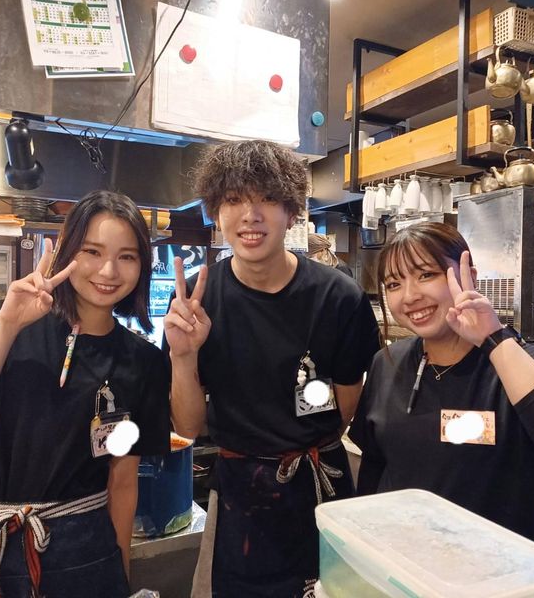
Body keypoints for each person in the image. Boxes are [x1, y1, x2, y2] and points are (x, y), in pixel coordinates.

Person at [0, 191, 171, 598]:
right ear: (65, 252)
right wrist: (7, 327)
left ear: (142, 266)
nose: (108, 270)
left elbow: (122, 481)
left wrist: (119, 576)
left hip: (82, 551)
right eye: (92, 251)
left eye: (127, 256)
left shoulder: (142, 361)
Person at [163, 140, 380, 597]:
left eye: (266, 199)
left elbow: (345, 409)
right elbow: (187, 426)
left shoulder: (339, 298)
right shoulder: (196, 301)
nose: (251, 215)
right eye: (234, 199)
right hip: (241, 495)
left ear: (292, 211)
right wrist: (183, 355)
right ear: (216, 212)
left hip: (322, 486)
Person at [349, 222, 534, 542]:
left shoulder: (525, 364)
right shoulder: (387, 363)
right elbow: (375, 467)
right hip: (403, 556)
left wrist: (494, 339)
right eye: (393, 284)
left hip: (498, 562)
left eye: (426, 275)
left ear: (468, 276)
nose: (409, 296)